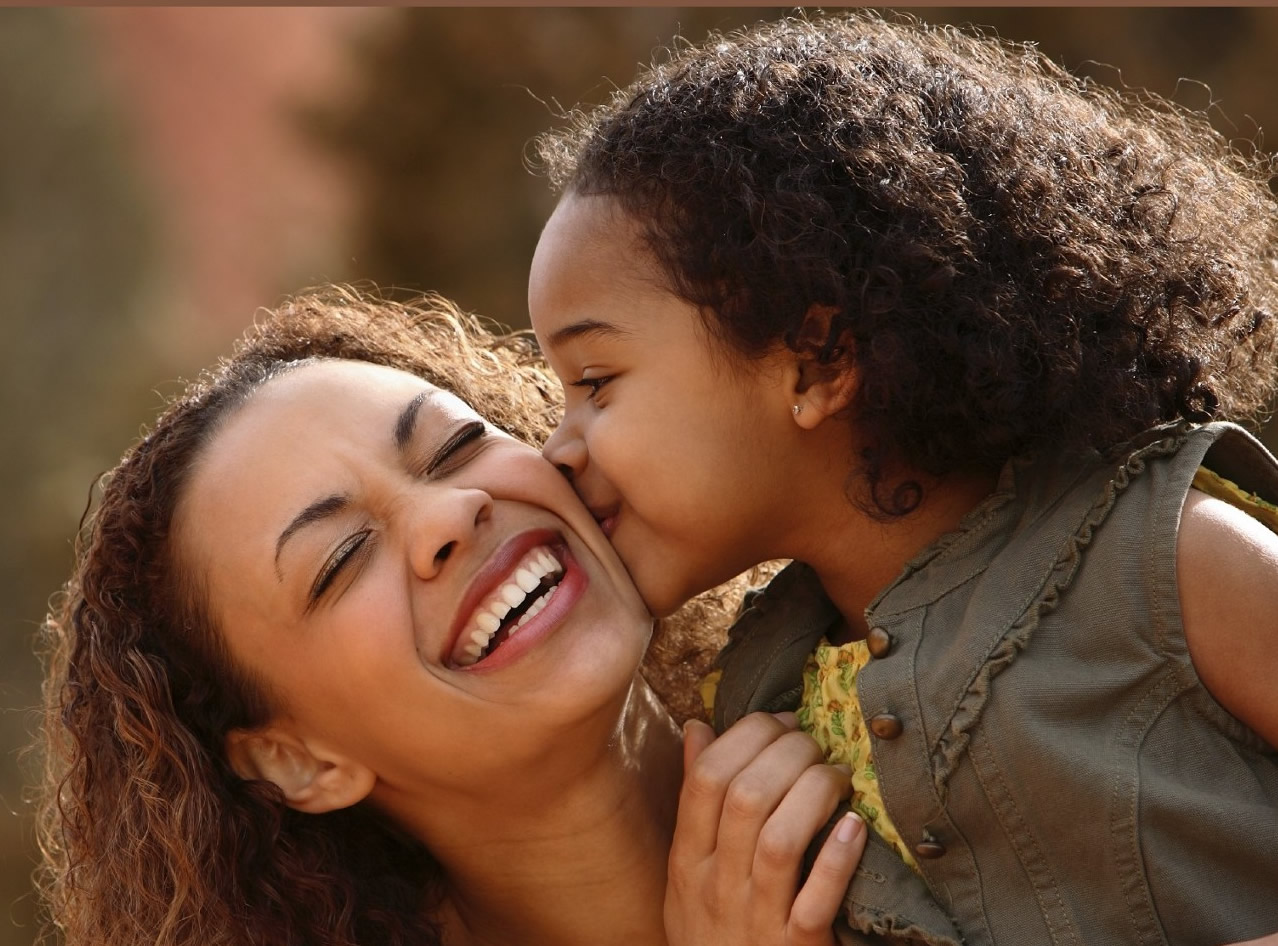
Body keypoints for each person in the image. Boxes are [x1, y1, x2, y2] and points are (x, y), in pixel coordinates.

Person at [529, 12, 1278, 946]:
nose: (556, 447)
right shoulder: (751, 722)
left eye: (595, 382)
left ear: (816, 362)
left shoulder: (1163, 557)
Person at [33, 287, 868, 946]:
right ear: (296, 761)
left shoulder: (905, 675)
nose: (449, 515)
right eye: (341, 560)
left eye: (453, 448)